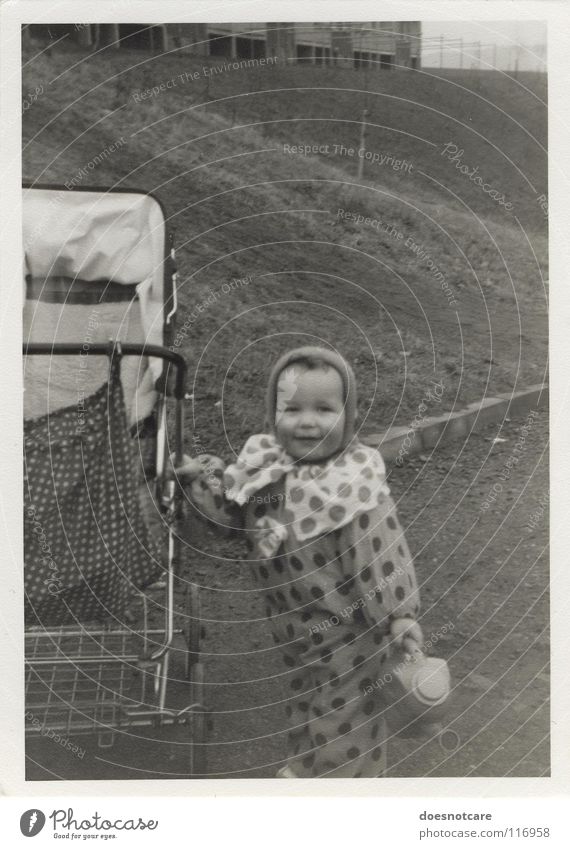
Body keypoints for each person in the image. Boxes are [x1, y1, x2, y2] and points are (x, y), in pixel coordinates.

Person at [174, 346, 422, 777]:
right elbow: (231, 515)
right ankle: (307, 768)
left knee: (345, 717)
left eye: (325, 409)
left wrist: (399, 615)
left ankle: (332, 790)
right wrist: (199, 481)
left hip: (351, 632)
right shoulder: (270, 470)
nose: (308, 421)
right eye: (292, 408)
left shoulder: (352, 485)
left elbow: (383, 554)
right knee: (306, 702)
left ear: (349, 415)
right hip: (294, 630)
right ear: (274, 413)